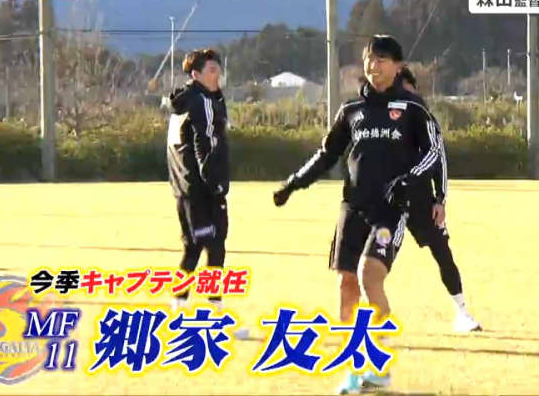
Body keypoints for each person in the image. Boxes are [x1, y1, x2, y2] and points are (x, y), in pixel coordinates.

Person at [272, 35, 441, 394]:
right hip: (352, 208)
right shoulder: (351, 110)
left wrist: (410, 182)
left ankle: (380, 369)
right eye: (368, 59)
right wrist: (294, 182)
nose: (373, 66)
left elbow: (433, 154)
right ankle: (353, 370)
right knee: (347, 285)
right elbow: (327, 154)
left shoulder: (413, 109)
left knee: (369, 276)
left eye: (381, 59)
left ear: (397, 65)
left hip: (390, 211)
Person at [396, 67, 482, 333]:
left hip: (422, 199)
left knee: (443, 254)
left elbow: (439, 159)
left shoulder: (426, 119)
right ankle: (365, 317)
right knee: (377, 257)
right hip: (390, 201)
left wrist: (440, 199)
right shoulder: (381, 119)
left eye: (409, 91)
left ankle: (462, 313)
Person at [166, 49, 230, 311]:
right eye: (211, 70)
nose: (218, 75)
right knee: (213, 246)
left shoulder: (185, 102)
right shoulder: (202, 102)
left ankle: (180, 306)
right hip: (203, 192)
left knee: (196, 246)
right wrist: (216, 184)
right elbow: (205, 145)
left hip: (185, 191)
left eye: (218, 69)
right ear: (196, 74)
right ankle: (213, 310)